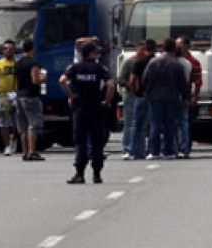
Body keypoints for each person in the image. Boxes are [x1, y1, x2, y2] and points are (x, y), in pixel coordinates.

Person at [60, 42, 115, 184]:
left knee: (80, 141)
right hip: (95, 106)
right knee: (97, 141)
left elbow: (62, 80)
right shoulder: (99, 68)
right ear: (90, 53)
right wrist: (107, 100)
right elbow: (111, 85)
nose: (98, 55)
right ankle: (97, 173)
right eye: (96, 53)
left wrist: (71, 95)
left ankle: (80, 173)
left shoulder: (75, 67)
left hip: (80, 107)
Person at [141, 38, 189, 160]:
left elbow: (145, 80)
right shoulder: (177, 65)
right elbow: (182, 84)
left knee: (155, 125)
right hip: (172, 98)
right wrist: (185, 98)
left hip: (154, 98)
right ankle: (169, 151)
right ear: (174, 49)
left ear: (163, 48)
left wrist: (147, 93)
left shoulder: (153, 62)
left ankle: (153, 151)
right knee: (170, 126)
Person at [119, 39, 152, 160]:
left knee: (143, 125)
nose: (143, 52)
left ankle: (140, 149)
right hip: (130, 97)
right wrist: (130, 86)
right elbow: (120, 79)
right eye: (141, 49)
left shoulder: (147, 62)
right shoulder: (129, 62)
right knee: (129, 124)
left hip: (143, 96)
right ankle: (127, 148)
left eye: (145, 49)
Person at [14, 38, 46, 161]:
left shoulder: (18, 63)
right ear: (32, 48)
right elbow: (35, 80)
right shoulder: (33, 63)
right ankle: (32, 151)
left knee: (23, 126)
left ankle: (25, 151)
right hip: (31, 96)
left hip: (20, 95)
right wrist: (43, 78)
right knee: (33, 124)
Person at [177, 36, 202, 158]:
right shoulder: (177, 60)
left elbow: (197, 82)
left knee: (185, 122)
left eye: (180, 45)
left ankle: (185, 147)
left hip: (186, 95)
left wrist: (195, 96)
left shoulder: (192, 62)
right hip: (176, 96)